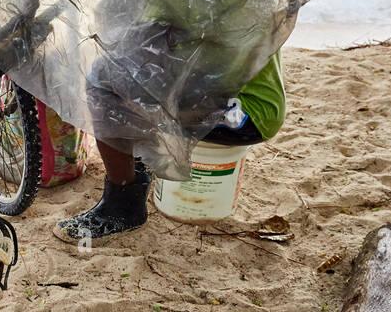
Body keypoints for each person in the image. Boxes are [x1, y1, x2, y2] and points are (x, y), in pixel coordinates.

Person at [52, 49, 287, 244]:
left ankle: (122, 206)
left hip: (246, 111)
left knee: (106, 87)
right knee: (125, 75)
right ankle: (139, 166)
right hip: (248, 96)